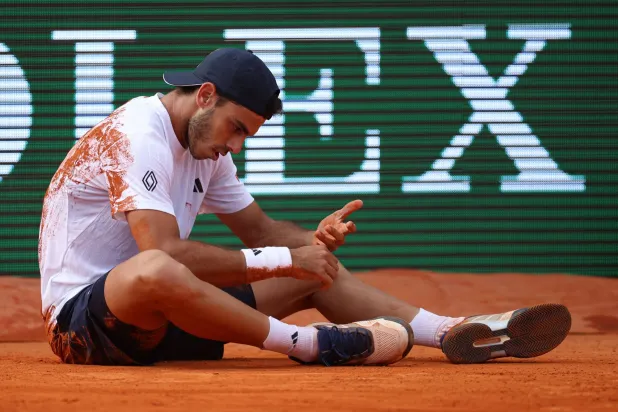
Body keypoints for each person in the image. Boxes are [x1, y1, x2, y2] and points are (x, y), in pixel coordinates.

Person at [38, 48, 571, 367]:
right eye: (237, 128)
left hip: (168, 324)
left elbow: (260, 229)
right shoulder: (137, 132)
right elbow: (164, 251)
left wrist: (310, 246)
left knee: (313, 268)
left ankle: (450, 330)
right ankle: (313, 345)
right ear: (205, 96)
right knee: (157, 266)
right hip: (85, 327)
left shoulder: (207, 147)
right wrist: (282, 258)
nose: (237, 145)